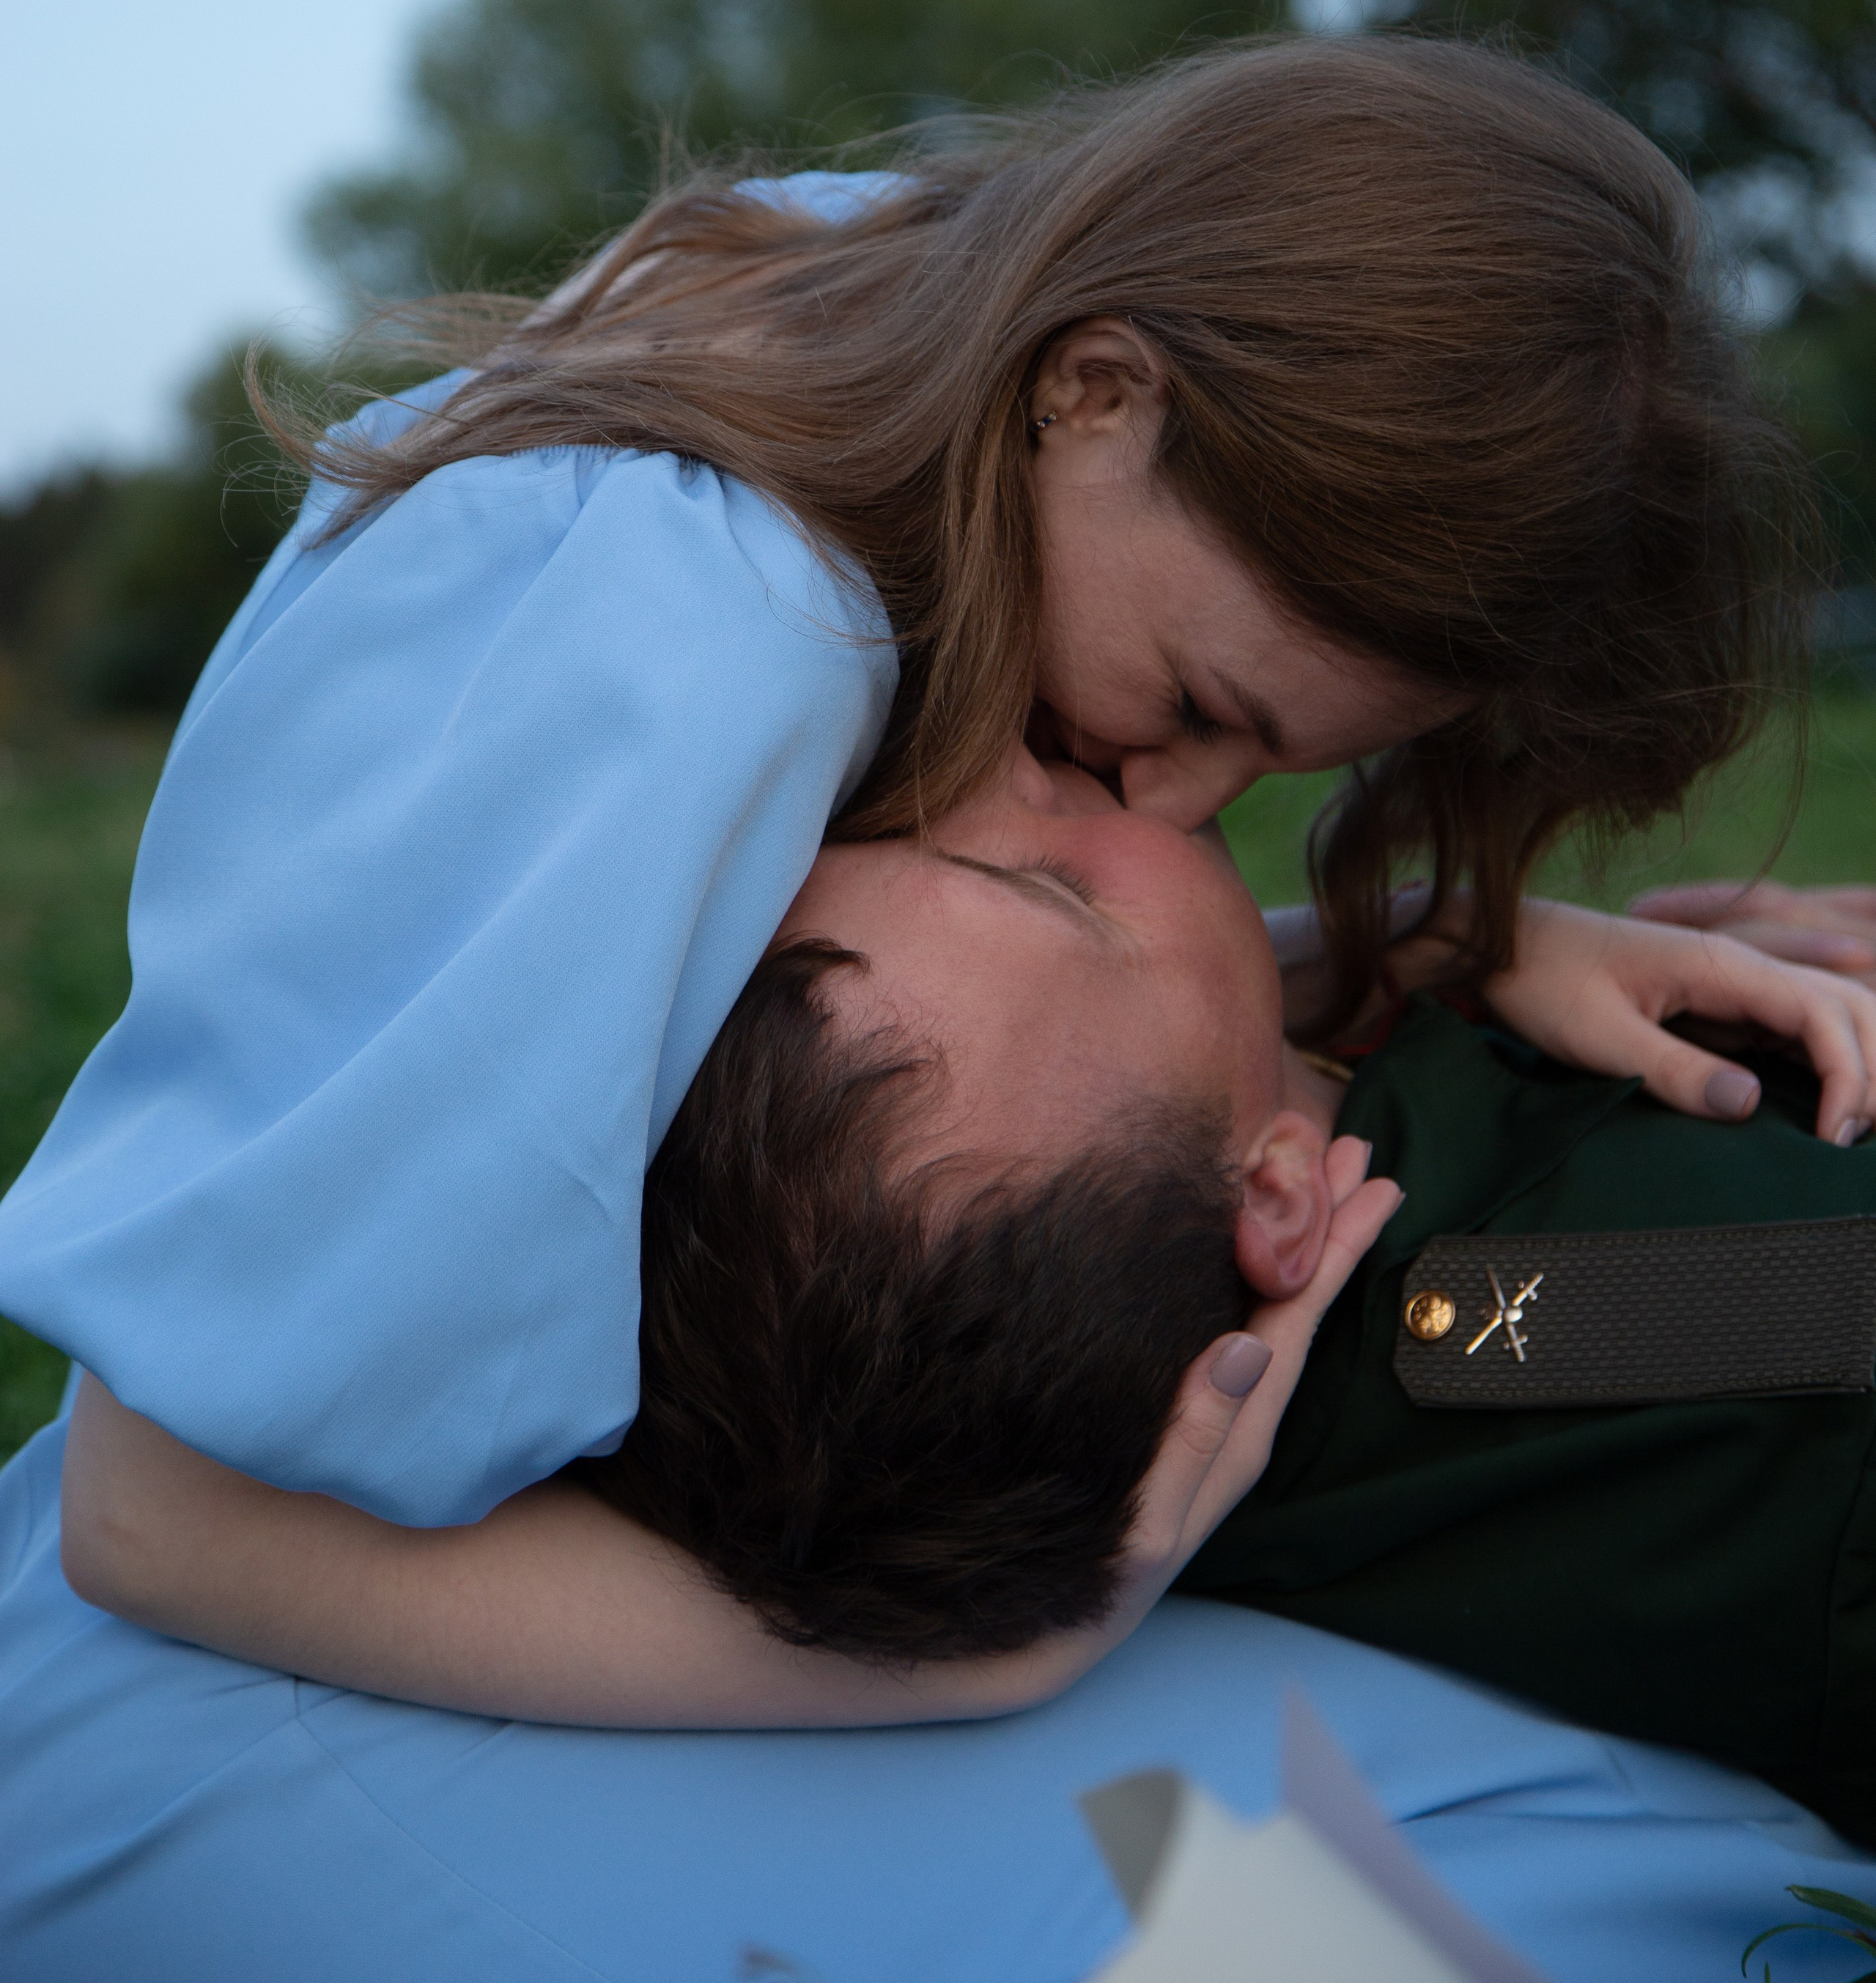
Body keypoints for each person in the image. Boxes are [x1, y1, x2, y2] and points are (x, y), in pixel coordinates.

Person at [10, 37, 1876, 1974]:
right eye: (1196, 717)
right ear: (1101, 389)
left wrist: (1427, 935)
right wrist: (963, 1666)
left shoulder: (871, 310)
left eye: (1265, 778)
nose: (1157, 808)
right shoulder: (711, 648)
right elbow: (157, 1516)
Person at [60, 751, 1876, 1847]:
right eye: (1042, 881)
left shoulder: (1077, 1251)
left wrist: (1427, 947)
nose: (1019, 772)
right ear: (1273, 1200)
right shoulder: (1526, 1331)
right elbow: (1787, 1331)